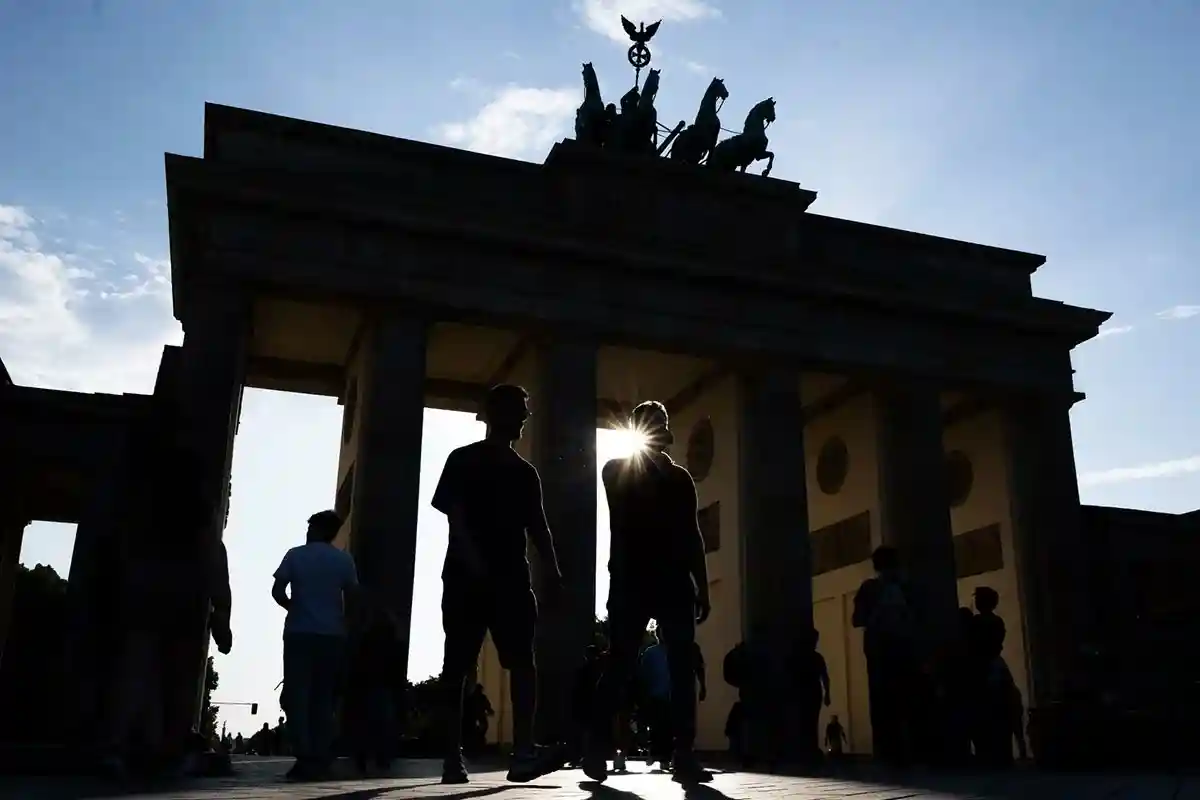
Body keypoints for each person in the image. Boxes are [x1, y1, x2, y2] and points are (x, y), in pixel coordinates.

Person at [431, 384, 565, 785]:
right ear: (495, 413)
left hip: (509, 577)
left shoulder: (526, 473)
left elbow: (539, 528)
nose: (525, 417)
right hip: (467, 576)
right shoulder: (463, 459)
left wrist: (554, 574)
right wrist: (472, 558)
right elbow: (454, 512)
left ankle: (523, 750)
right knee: (457, 666)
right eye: (520, 410)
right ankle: (452, 757)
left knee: (522, 663)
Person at [583, 401, 712, 784]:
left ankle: (684, 752)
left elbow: (692, 534)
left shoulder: (680, 479)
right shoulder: (616, 469)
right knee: (620, 662)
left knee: (681, 666)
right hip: (632, 578)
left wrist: (702, 585)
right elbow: (625, 510)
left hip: (671, 580)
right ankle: (597, 743)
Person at [271, 509, 358, 780]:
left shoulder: (295, 555)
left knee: (297, 696)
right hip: (332, 635)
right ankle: (321, 753)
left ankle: (304, 754)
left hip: (299, 632)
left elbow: (277, 591)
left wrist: (292, 607)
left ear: (316, 529)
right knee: (324, 698)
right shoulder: (343, 560)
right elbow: (353, 597)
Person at [852, 546, 917, 766]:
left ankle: (893, 751)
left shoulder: (893, 589)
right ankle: (893, 751)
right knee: (890, 701)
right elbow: (858, 618)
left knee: (888, 701)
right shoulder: (881, 589)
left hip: (890, 650)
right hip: (887, 650)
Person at [345, 595, 404, 774]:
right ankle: (382, 757)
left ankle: (362, 757)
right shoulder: (392, 641)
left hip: (366, 684)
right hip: (382, 685)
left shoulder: (363, 637)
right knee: (383, 722)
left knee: (364, 722)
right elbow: (396, 667)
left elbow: (355, 661)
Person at [789, 628, 831, 762]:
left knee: (804, 721)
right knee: (812, 721)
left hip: (804, 692)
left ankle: (804, 749)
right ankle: (811, 748)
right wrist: (827, 694)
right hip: (813, 691)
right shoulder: (816, 658)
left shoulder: (799, 658)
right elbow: (824, 677)